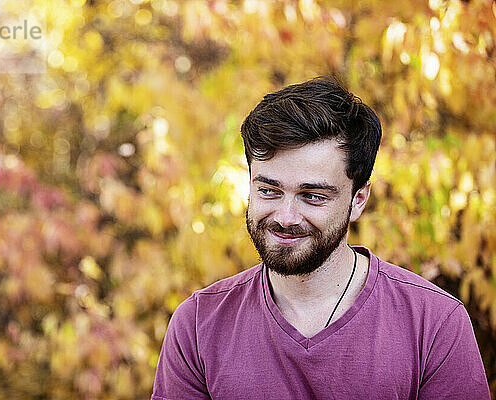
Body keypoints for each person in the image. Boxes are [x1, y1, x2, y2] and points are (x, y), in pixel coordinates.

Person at [151, 77, 490, 399]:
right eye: (269, 191)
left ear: (358, 199)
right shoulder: (198, 325)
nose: (285, 216)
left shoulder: (434, 323)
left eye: (312, 196)